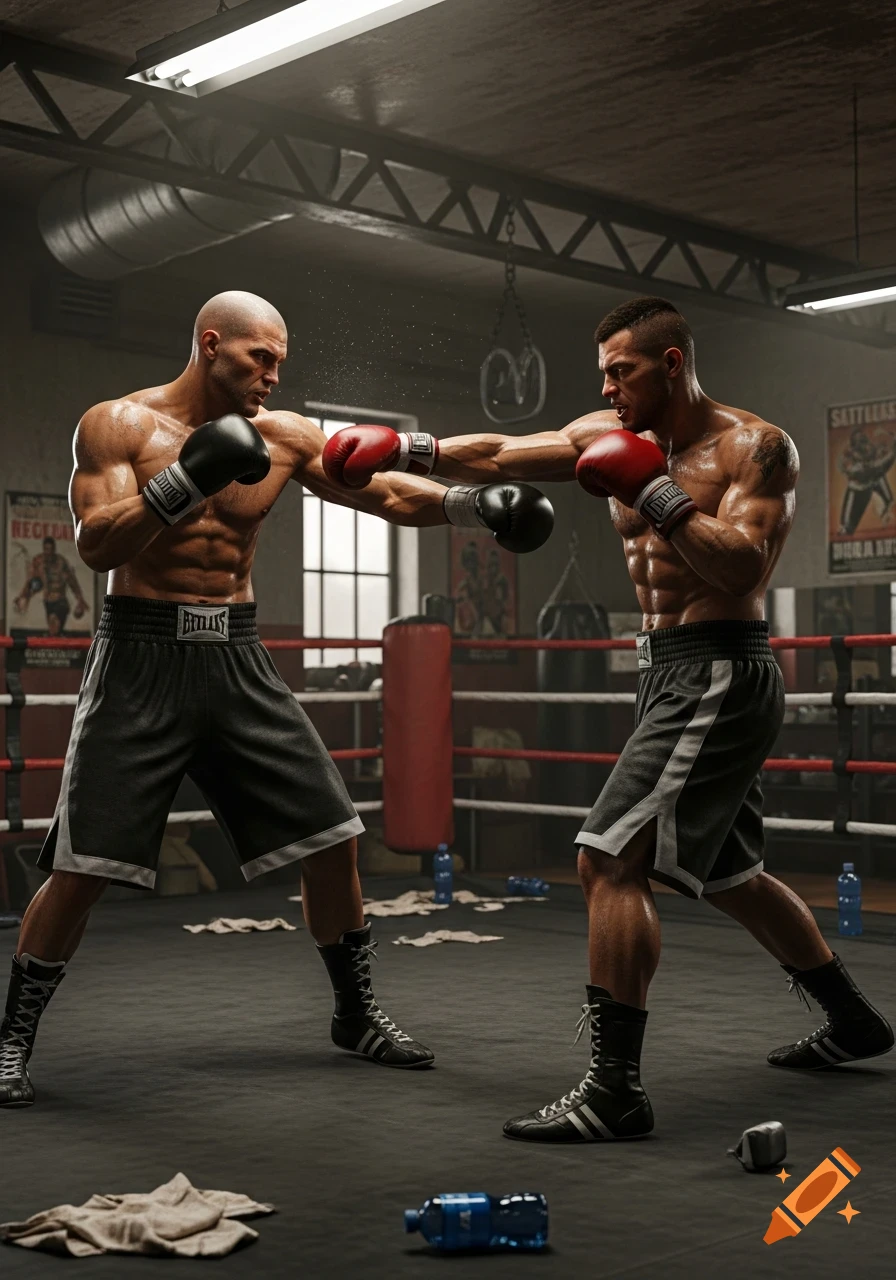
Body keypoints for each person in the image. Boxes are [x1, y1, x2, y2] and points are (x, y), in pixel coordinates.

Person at [322, 295, 894, 1144]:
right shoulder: (607, 430)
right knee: (734, 873)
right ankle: (853, 1021)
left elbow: (743, 563)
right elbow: (505, 451)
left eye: (621, 372)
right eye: (603, 375)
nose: (609, 389)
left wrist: (655, 492)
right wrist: (409, 447)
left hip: (719, 667)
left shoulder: (755, 446)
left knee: (604, 860)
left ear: (671, 364)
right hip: (666, 672)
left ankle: (614, 1091)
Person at [0, 291, 554, 1108]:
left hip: (237, 655)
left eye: (281, 362)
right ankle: (11, 1041)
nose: (272, 374)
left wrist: (478, 508)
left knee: (332, 838)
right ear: (210, 343)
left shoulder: (286, 436)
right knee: (83, 865)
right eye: (260, 357)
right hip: (140, 658)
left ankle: (355, 1015)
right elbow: (94, 543)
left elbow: (387, 494)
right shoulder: (117, 425)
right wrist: (185, 481)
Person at [14, 535, 90, 636]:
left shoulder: (61, 562)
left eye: (50, 549)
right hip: (48, 602)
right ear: (43, 549)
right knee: (53, 631)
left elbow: (72, 582)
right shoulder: (39, 562)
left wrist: (80, 599)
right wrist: (22, 596)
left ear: (54, 550)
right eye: (46, 549)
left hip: (61, 601)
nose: (48, 552)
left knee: (54, 621)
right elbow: (30, 582)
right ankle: (56, 643)